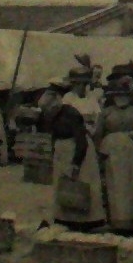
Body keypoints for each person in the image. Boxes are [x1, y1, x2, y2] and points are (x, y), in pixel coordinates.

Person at [38, 76, 106, 231]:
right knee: (63, 185)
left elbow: (81, 140)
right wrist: (53, 154)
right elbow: (54, 137)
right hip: (62, 152)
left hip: (79, 150)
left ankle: (88, 221)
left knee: (82, 183)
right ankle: (65, 218)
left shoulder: (71, 114)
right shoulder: (51, 117)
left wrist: (76, 163)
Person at [94, 78, 133, 234]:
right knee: (116, 186)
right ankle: (117, 222)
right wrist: (99, 153)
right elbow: (98, 134)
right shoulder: (106, 113)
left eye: (124, 95)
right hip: (112, 153)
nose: (121, 98)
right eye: (118, 95)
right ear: (113, 96)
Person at [63, 65, 102, 132]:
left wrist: (88, 117)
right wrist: (86, 117)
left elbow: (98, 116)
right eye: (78, 84)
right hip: (75, 130)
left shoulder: (91, 96)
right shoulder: (68, 97)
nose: (82, 87)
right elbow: (68, 118)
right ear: (73, 84)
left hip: (92, 129)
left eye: (85, 84)